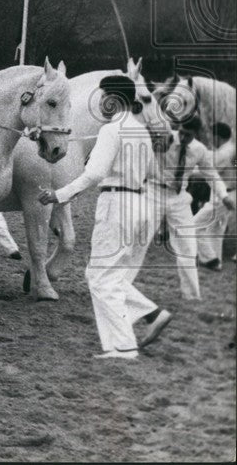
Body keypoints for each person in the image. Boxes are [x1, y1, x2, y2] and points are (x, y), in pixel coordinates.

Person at [39, 75, 164, 360]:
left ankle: (124, 346)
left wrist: (59, 195)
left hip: (117, 204)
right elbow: (153, 172)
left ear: (113, 98)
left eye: (104, 95)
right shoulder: (141, 130)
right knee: (103, 275)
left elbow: (94, 173)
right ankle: (148, 315)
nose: (102, 102)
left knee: (101, 278)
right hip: (138, 203)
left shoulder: (111, 130)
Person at [146, 116, 230, 299]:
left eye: (188, 135)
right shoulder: (166, 138)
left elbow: (212, 175)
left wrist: (223, 195)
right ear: (179, 128)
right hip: (154, 192)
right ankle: (117, 283)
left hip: (178, 198)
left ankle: (191, 295)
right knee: (139, 238)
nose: (182, 137)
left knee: (188, 247)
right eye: (181, 132)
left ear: (196, 135)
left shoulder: (199, 149)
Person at [193, 122, 236, 269]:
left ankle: (209, 259)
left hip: (224, 196)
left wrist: (183, 172)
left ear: (217, 137)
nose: (211, 139)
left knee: (194, 225)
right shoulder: (230, 149)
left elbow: (207, 171)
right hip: (227, 193)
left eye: (212, 136)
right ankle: (216, 262)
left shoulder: (224, 153)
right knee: (216, 230)